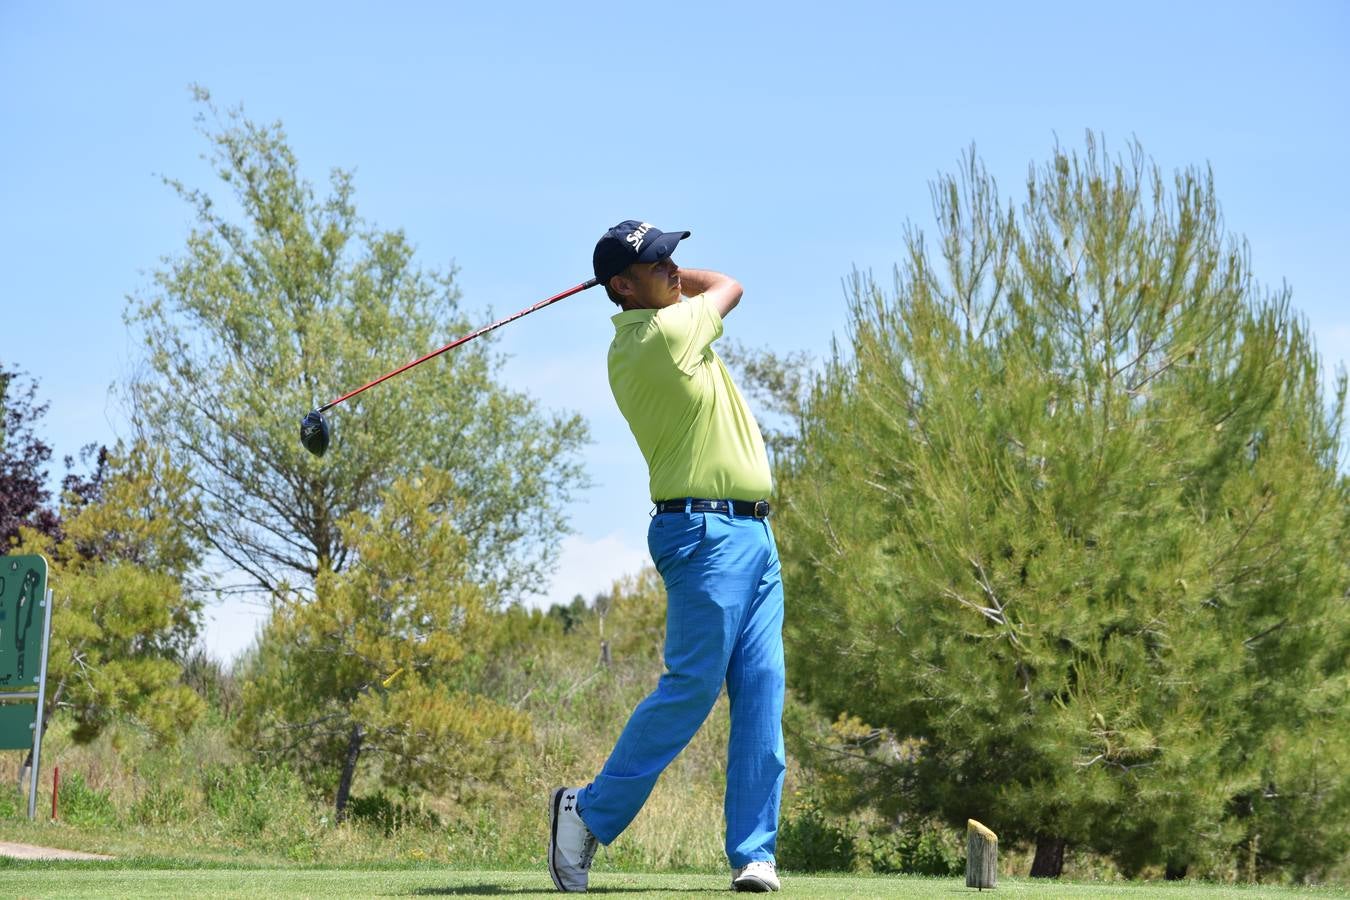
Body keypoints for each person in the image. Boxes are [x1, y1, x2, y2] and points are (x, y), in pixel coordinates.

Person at [548, 221, 786, 893]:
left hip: (752, 535)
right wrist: (674, 286)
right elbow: (729, 283)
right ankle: (585, 811)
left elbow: (694, 287)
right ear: (623, 286)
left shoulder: (656, 327)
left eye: (671, 254)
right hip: (704, 534)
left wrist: (657, 277)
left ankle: (753, 853)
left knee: (763, 690)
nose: (674, 267)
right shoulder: (665, 338)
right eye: (657, 262)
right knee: (690, 688)